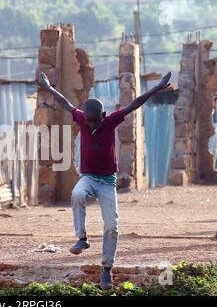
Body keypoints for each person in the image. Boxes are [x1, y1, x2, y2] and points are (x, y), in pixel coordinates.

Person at [36, 71, 171, 289]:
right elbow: (65, 103)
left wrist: (157, 88)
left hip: (107, 181)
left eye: (95, 123)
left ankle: (106, 270)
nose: (91, 127)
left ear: (103, 115)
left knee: (112, 227)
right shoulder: (82, 118)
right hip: (88, 177)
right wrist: (48, 87)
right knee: (77, 193)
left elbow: (135, 103)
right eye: (88, 124)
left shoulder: (111, 121)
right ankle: (82, 238)